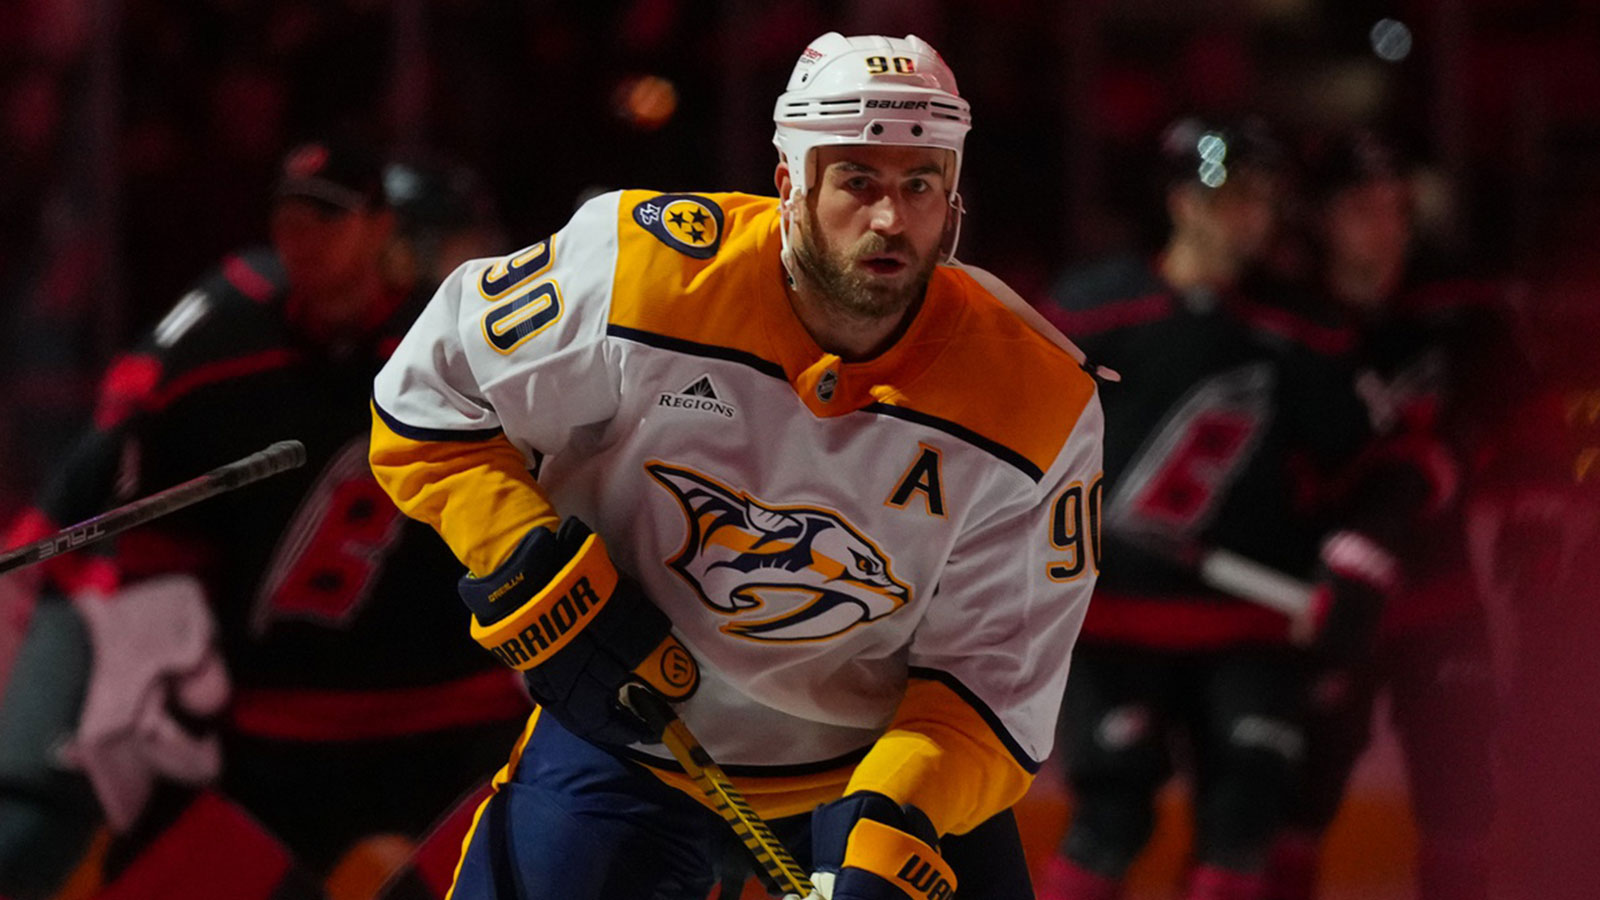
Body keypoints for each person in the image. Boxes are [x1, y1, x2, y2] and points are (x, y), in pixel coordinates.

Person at [368, 31, 1104, 900]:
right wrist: (522, 552)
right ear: (790, 182)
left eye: (919, 186)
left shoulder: (1039, 400)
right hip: (628, 739)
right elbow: (427, 397)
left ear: (953, 200)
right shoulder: (643, 270)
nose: (889, 220)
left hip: (873, 768)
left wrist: (896, 813)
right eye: (858, 181)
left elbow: (992, 684)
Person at [0, 137, 527, 900]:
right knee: (36, 823)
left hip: (418, 704)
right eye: (460, 247)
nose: (480, 266)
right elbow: (116, 445)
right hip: (150, 622)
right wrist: (69, 585)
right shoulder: (235, 324)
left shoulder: (467, 350)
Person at [1036, 117, 1442, 900]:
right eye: (1234, 198)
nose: (1253, 218)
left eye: (1265, 199)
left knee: (1247, 817)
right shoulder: (1088, 314)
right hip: (1115, 621)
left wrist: (1362, 552)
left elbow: (1395, 457)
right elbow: (999, 442)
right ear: (1183, 202)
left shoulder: (1300, 329)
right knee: (1110, 816)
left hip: (1250, 630)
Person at [1263, 131, 1517, 900]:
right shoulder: (1285, 321)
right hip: (1324, 601)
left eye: (1398, 207)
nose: (1389, 226)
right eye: (1364, 209)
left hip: (1441, 599)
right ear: (1319, 220)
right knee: (1294, 802)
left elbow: (1530, 424)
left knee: (1462, 802)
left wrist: (1538, 517)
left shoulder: (1459, 309)